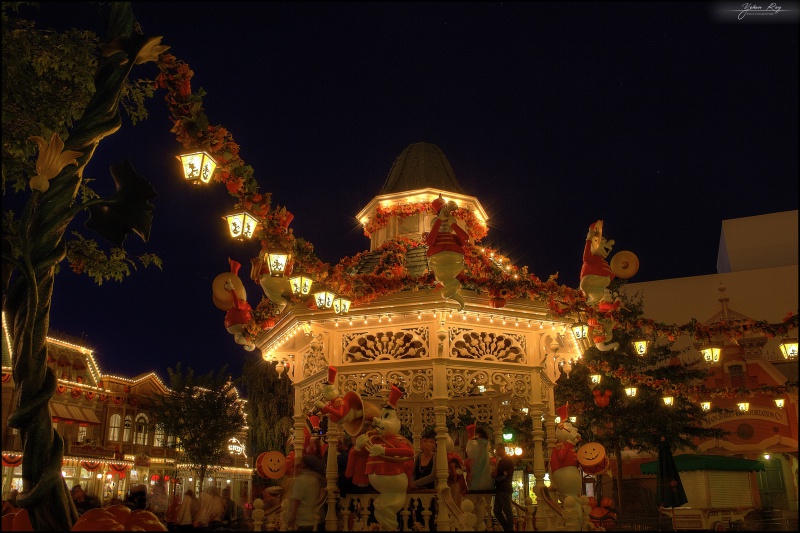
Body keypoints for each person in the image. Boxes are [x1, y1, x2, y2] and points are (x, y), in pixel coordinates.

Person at [286, 454, 326, 531]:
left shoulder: (300, 480)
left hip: (300, 521)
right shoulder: (314, 480)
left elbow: (296, 501)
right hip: (311, 519)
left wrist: (292, 518)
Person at [492, 444, 515, 532]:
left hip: (504, 488)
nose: (496, 451)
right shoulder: (504, 461)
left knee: (506, 511)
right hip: (501, 488)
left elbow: (496, 474)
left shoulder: (506, 461)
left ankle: (509, 529)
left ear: (502, 449)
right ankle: (507, 528)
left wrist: (495, 473)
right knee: (497, 510)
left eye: (498, 449)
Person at [466, 426, 494, 491]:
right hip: (485, 456)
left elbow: (479, 451)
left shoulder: (480, 441)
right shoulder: (485, 440)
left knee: (479, 471)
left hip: (481, 456)